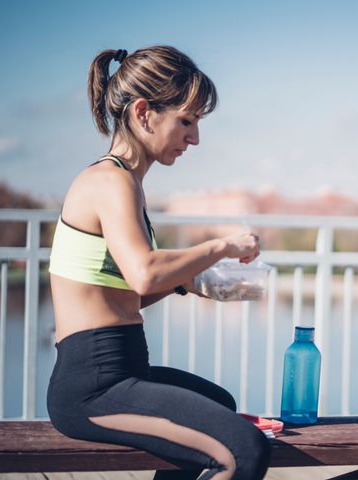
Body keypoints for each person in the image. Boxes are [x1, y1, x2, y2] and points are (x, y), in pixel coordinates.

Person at [47, 46, 270, 480]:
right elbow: (144, 270)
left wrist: (189, 281)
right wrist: (222, 245)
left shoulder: (123, 182)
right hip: (93, 388)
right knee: (243, 451)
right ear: (144, 112)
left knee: (219, 405)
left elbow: (135, 292)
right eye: (186, 121)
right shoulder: (110, 181)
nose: (195, 138)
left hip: (124, 371)